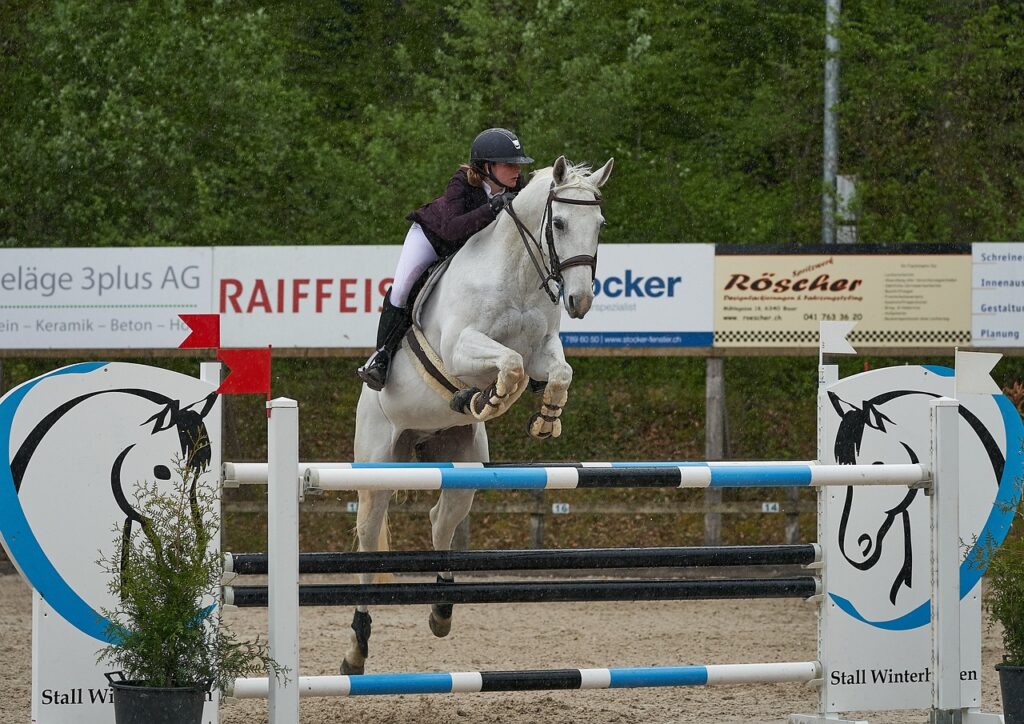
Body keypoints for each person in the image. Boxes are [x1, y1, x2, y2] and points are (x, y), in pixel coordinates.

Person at [357, 128, 534, 391]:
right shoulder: (463, 180)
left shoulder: (516, 187)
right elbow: (451, 229)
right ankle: (381, 357)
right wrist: (492, 208)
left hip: (469, 249)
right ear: (486, 166)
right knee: (403, 289)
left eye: (518, 164)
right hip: (432, 239)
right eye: (509, 164)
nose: (517, 170)